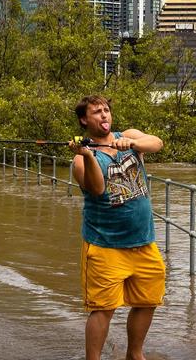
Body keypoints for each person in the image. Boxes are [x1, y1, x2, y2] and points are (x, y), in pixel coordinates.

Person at [68, 95, 166, 360]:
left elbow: (157, 142)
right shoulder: (80, 160)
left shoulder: (129, 137)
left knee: (148, 301)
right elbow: (98, 188)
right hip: (105, 246)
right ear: (83, 120)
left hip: (143, 241)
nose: (104, 115)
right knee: (103, 309)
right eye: (96, 112)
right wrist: (88, 155)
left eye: (106, 110)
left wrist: (132, 143)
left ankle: (134, 354)